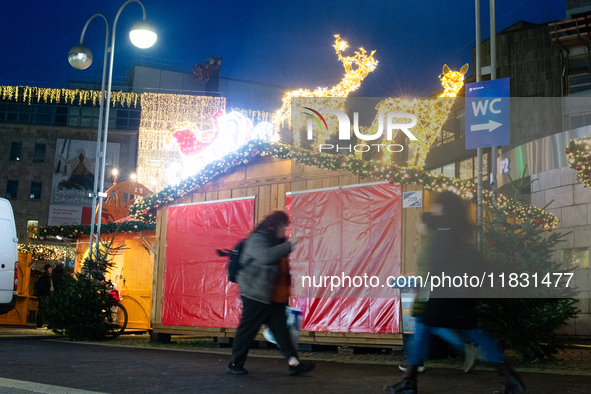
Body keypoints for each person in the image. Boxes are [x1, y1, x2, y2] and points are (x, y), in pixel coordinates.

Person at [385, 192, 525, 394]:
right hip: (460, 291)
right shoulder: (457, 225)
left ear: (442, 207)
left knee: (428, 327)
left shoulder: (444, 226)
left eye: (435, 205)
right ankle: (510, 378)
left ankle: (409, 381)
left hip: (445, 292)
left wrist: (426, 282)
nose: (432, 209)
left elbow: (439, 259)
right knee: (469, 332)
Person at [227, 210, 315, 376]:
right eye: (283, 226)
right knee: (247, 331)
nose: (285, 230)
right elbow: (265, 257)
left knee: (282, 332)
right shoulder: (257, 238)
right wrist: (290, 245)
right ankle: (235, 364)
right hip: (255, 294)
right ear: (274, 225)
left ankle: (294, 363)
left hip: (273, 297)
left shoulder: (275, 241)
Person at [399, 212, 477, 374]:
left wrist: (419, 285)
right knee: (427, 325)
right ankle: (416, 362)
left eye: (419, 222)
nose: (417, 225)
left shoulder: (430, 242)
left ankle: (461, 347)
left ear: (425, 224)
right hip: (430, 288)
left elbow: (429, 268)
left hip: (426, 289)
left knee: (425, 323)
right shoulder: (433, 240)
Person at [36, 264, 54, 329]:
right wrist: (45, 293)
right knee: (41, 309)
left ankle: (40, 324)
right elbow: (42, 287)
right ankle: (39, 324)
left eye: (51, 269)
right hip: (43, 295)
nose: (50, 271)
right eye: (49, 269)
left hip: (44, 295)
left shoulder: (47, 277)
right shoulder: (44, 278)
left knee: (42, 309)